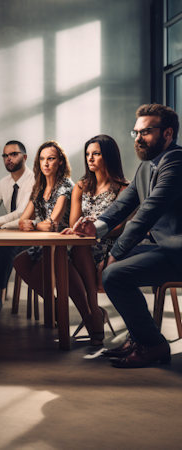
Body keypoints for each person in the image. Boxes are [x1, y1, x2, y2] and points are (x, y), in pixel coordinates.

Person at [73, 104, 182, 368]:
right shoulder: (146, 167)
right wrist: (95, 227)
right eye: (136, 132)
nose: (138, 138)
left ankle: (153, 345)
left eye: (146, 132)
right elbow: (124, 205)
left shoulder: (176, 162)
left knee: (114, 273)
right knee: (107, 267)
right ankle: (139, 339)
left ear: (167, 134)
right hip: (160, 248)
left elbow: (147, 211)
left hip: (177, 251)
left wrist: (115, 252)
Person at [58, 135, 130, 346]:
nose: (90, 158)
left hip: (107, 245)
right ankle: (93, 314)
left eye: (96, 153)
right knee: (57, 255)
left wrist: (93, 229)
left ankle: (92, 314)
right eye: (88, 154)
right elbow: (74, 224)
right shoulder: (80, 186)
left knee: (77, 251)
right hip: (82, 243)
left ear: (108, 156)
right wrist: (80, 229)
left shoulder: (123, 188)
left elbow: (119, 227)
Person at [12, 141, 74, 312]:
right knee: (19, 262)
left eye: (51, 158)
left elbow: (52, 224)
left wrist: (34, 224)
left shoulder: (66, 186)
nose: (45, 163)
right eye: (42, 159)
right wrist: (33, 224)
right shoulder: (39, 187)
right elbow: (23, 220)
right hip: (46, 243)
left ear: (60, 161)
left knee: (39, 273)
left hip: (65, 243)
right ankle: (55, 308)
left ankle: (56, 311)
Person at [0, 141, 36, 312]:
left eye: (13, 154)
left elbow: (22, 212)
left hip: (30, 239)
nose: (9, 158)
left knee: (8, 245)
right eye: (5, 155)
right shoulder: (3, 182)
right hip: (9, 236)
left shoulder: (34, 180)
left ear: (24, 157)